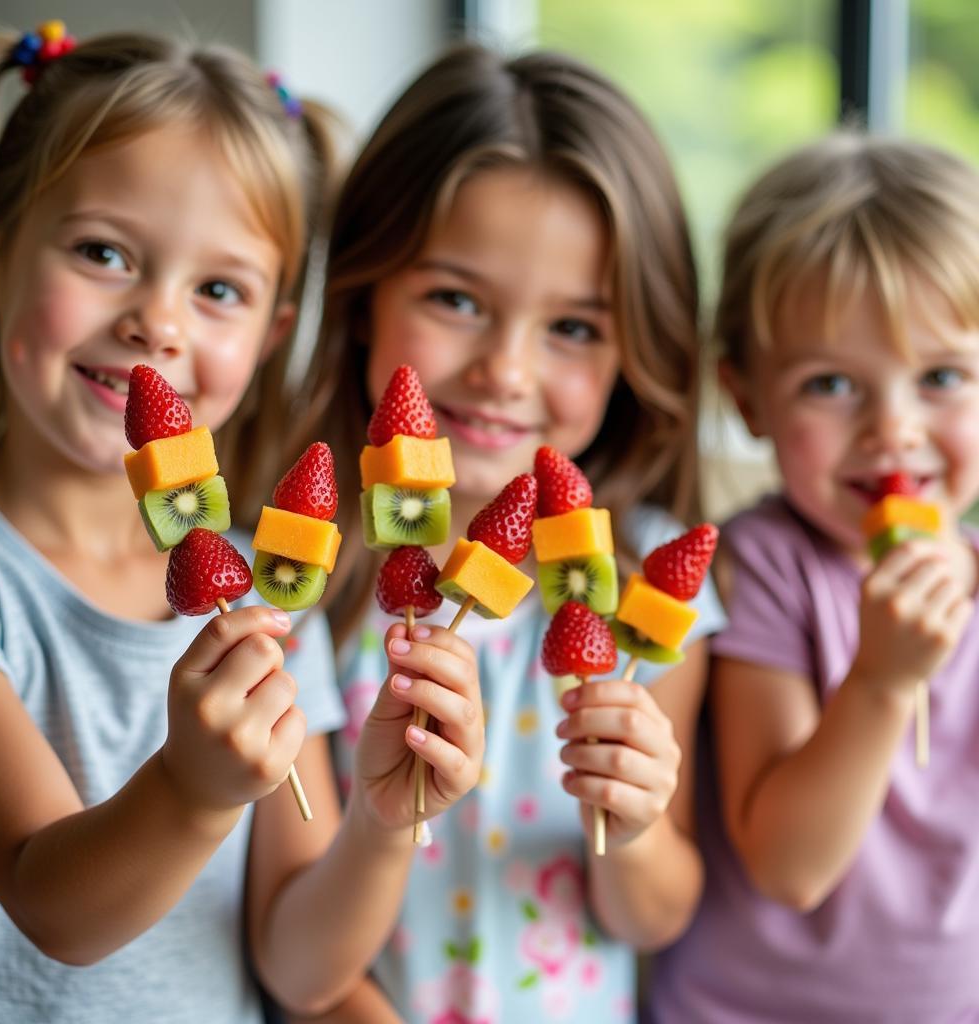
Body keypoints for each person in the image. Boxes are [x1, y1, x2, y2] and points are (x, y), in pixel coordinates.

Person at [278, 43, 725, 1022]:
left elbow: (654, 913)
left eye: (572, 327)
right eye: (456, 300)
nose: (505, 370)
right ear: (362, 304)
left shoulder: (647, 577)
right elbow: (297, 969)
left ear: (632, 350)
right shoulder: (296, 576)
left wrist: (636, 819)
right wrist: (383, 822)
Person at [0, 23, 356, 1023]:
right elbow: (51, 900)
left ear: (268, 337)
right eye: (103, 252)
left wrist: (390, 822)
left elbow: (302, 964)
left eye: (217, 289)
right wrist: (192, 787)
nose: (158, 322)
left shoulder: (269, 579)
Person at [650, 133, 979, 1023]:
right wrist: (881, 680)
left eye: (943, 377)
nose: (894, 429)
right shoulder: (765, 567)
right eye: (832, 384)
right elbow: (788, 868)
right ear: (749, 398)